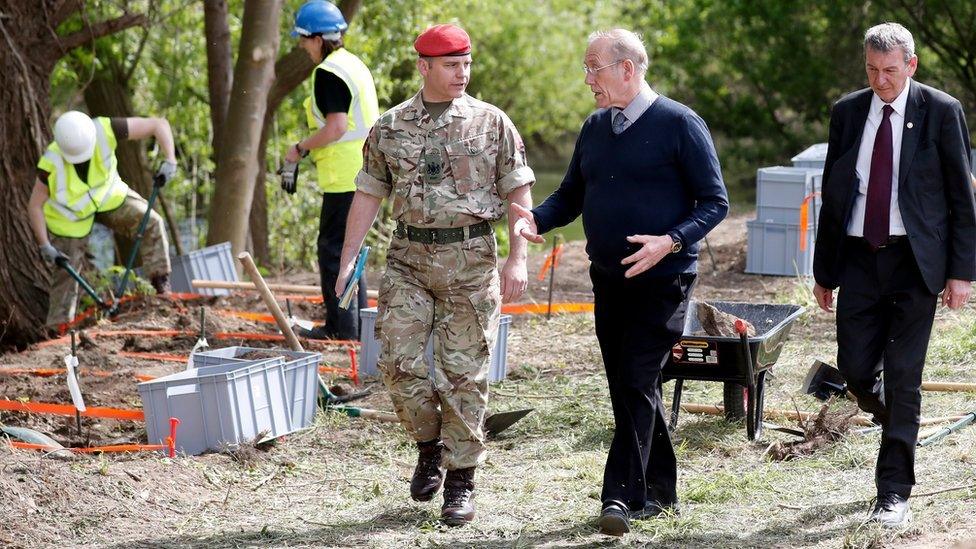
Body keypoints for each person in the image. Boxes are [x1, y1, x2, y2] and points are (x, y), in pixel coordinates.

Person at [511, 29, 728, 536]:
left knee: (635, 380)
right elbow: (569, 195)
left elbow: (715, 202)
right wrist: (536, 220)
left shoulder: (680, 124)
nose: (588, 79)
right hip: (608, 280)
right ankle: (661, 490)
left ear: (627, 68)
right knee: (631, 387)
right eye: (587, 69)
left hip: (665, 279)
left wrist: (669, 242)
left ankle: (618, 498)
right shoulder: (594, 129)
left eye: (595, 68)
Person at [334, 24, 534, 526]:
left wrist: (519, 258)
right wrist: (347, 260)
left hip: (471, 261)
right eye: (451, 65)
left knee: (462, 376)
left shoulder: (492, 123)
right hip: (409, 259)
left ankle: (462, 479)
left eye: (467, 64)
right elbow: (368, 192)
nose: (462, 73)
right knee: (398, 365)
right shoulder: (391, 126)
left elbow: (518, 190)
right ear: (424, 67)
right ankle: (428, 447)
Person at [812, 22, 975, 527]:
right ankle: (886, 408)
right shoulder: (847, 112)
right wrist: (824, 271)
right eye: (872, 70)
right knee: (856, 370)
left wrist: (961, 272)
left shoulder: (941, 111)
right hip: (860, 256)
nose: (880, 81)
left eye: (889, 71)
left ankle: (893, 493)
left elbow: (961, 198)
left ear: (911, 64)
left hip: (915, 261)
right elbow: (835, 195)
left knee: (905, 377)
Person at [28, 110, 176, 332]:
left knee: (151, 222)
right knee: (65, 270)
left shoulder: (106, 128)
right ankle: (57, 330)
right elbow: (34, 205)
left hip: (109, 198)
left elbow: (158, 124)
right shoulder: (51, 161)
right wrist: (45, 245)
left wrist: (170, 160)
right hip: (72, 217)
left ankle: (161, 289)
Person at [282, 0, 379, 340]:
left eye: (304, 39)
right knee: (350, 249)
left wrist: (300, 148)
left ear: (318, 39)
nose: (302, 46)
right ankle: (357, 328)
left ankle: (341, 330)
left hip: (344, 176)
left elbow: (336, 127)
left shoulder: (328, 73)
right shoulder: (353, 64)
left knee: (334, 250)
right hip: (366, 172)